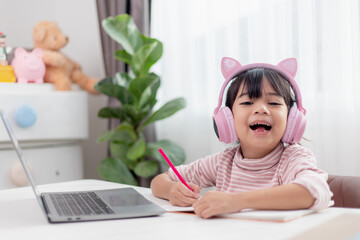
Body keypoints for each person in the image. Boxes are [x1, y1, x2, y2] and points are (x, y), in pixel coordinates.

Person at [150, 57, 332, 219]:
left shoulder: (293, 158)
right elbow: (159, 181)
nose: (261, 109)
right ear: (228, 118)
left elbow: (313, 192)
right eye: (247, 102)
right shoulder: (223, 162)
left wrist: (235, 201)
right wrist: (172, 190)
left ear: (292, 118)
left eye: (274, 103)